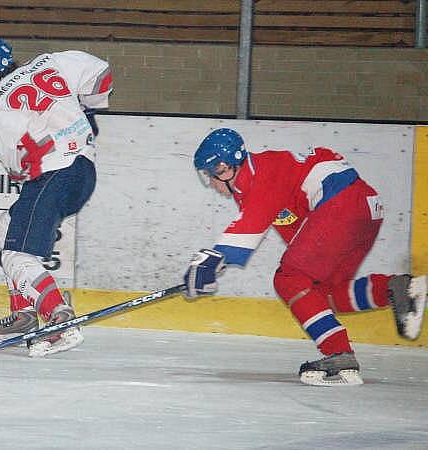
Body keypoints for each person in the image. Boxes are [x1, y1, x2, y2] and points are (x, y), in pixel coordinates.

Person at [183, 128, 427, 386]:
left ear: (227, 167)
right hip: (364, 207)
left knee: (288, 280)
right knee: (320, 294)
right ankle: (398, 288)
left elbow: (248, 228)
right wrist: (217, 265)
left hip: (343, 203)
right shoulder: (256, 182)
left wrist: (210, 261)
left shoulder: (260, 175)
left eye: (213, 174)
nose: (211, 182)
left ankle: (338, 354)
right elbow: (295, 232)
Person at [0, 38, 112, 357]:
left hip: (53, 174)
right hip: (84, 171)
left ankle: (61, 319)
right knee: (7, 225)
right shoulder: (50, 61)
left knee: (17, 256)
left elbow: (15, 163)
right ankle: (25, 316)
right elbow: (102, 76)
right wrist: (89, 109)